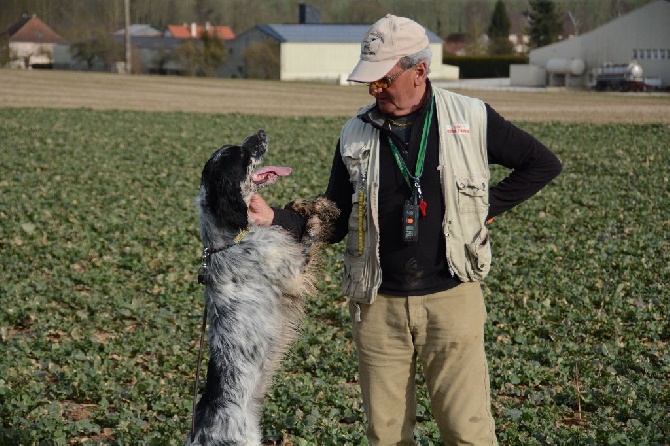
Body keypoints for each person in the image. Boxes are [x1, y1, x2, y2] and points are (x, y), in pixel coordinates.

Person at [249, 14, 562, 446]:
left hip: (453, 299)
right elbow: (334, 216)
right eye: (370, 83)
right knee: (387, 437)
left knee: (467, 433)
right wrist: (276, 218)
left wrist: (483, 210)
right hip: (379, 307)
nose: (375, 90)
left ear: (419, 70)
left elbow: (543, 164)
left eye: (383, 80)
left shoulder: (469, 118)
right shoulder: (354, 132)